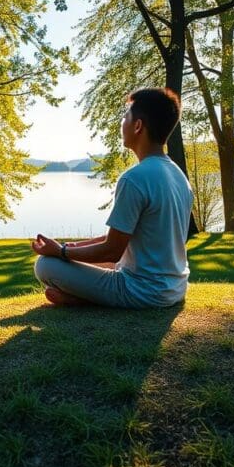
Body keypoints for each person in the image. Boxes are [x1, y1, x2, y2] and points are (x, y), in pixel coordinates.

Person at [31, 88, 193, 308]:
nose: (122, 122)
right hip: (174, 289)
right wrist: (71, 246)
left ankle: (83, 300)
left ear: (138, 126)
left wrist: (60, 252)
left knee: (45, 265)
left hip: (141, 291)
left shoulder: (135, 178)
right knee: (80, 260)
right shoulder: (178, 175)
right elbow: (119, 238)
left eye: (126, 116)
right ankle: (80, 296)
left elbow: (112, 250)